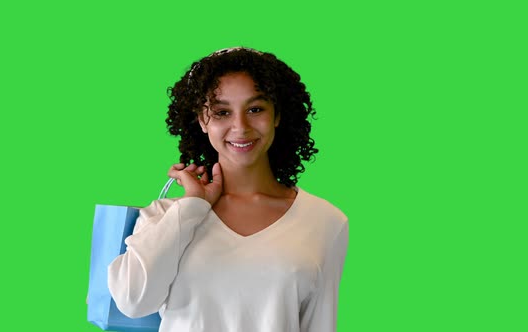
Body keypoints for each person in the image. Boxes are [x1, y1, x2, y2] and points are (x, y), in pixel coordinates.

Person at [107, 47, 350, 331]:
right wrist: (192, 206)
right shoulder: (165, 216)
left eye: (255, 109)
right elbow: (132, 301)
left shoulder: (325, 221)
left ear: (277, 115)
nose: (240, 126)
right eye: (222, 112)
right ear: (202, 120)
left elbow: (320, 324)